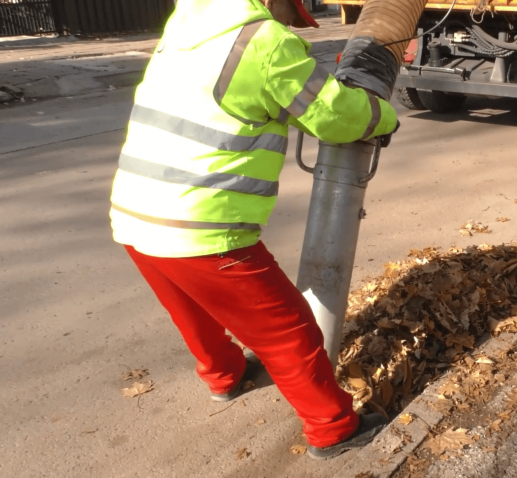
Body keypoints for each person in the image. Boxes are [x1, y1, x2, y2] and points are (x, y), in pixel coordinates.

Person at [109, 0, 398, 460]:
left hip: (135, 212)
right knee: (289, 330)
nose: (289, 22)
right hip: (201, 225)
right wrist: (382, 115)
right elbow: (333, 115)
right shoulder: (264, 42)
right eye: (290, 11)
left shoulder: (187, 22)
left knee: (194, 311)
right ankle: (333, 427)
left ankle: (225, 376)